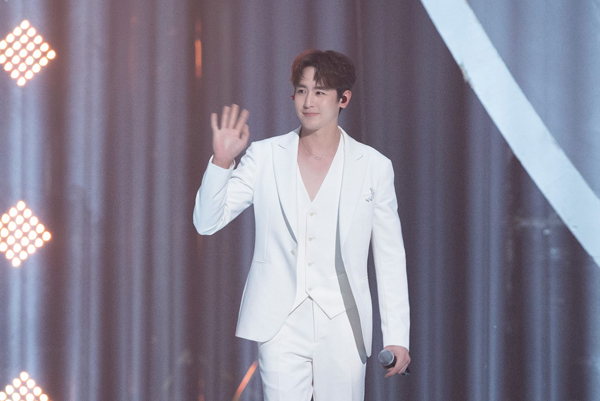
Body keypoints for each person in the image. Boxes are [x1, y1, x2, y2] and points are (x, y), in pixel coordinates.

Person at [193, 49, 410, 400]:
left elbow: (389, 255)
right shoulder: (264, 156)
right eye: (302, 90)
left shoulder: (373, 166)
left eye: (320, 91)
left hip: (344, 322)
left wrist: (397, 335)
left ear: (343, 99)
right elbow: (207, 222)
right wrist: (221, 160)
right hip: (279, 321)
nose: (308, 101)